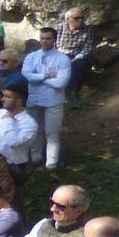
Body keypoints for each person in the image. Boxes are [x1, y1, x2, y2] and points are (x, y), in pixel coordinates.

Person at [20, 27, 73, 170]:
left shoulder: (62, 58)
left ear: (54, 39)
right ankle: (35, 158)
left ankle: (51, 164)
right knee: (34, 130)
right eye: (42, 38)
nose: (44, 41)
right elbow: (26, 75)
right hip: (34, 99)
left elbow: (61, 82)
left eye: (48, 38)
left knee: (52, 133)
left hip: (54, 100)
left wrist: (38, 78)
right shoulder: (31, 57)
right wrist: (46, 75)